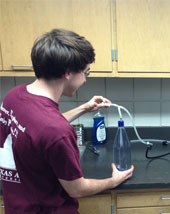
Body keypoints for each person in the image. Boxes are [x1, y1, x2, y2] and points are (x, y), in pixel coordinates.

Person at [0, 29, 134, 214]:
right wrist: (114, 180)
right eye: (86, 72)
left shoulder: (14, 97)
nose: (85, 80)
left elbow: (36, 132)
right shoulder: (57, 131)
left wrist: (83, 108)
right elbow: (77, 188)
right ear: (68, 73)